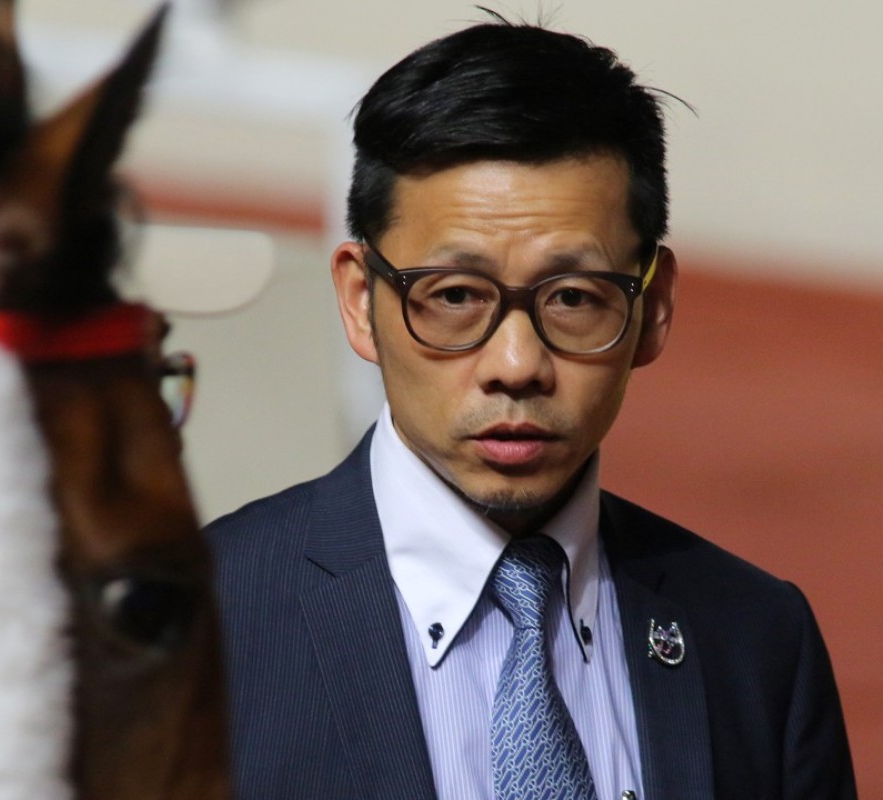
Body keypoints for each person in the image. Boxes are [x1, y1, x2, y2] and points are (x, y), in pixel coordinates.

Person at [205, 14, 857, 800]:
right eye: (452, 295)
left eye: (575, 297)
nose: (516, 366)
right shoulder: (201, 627)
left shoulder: (758, 642)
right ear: (358, 301)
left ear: (652, 310)